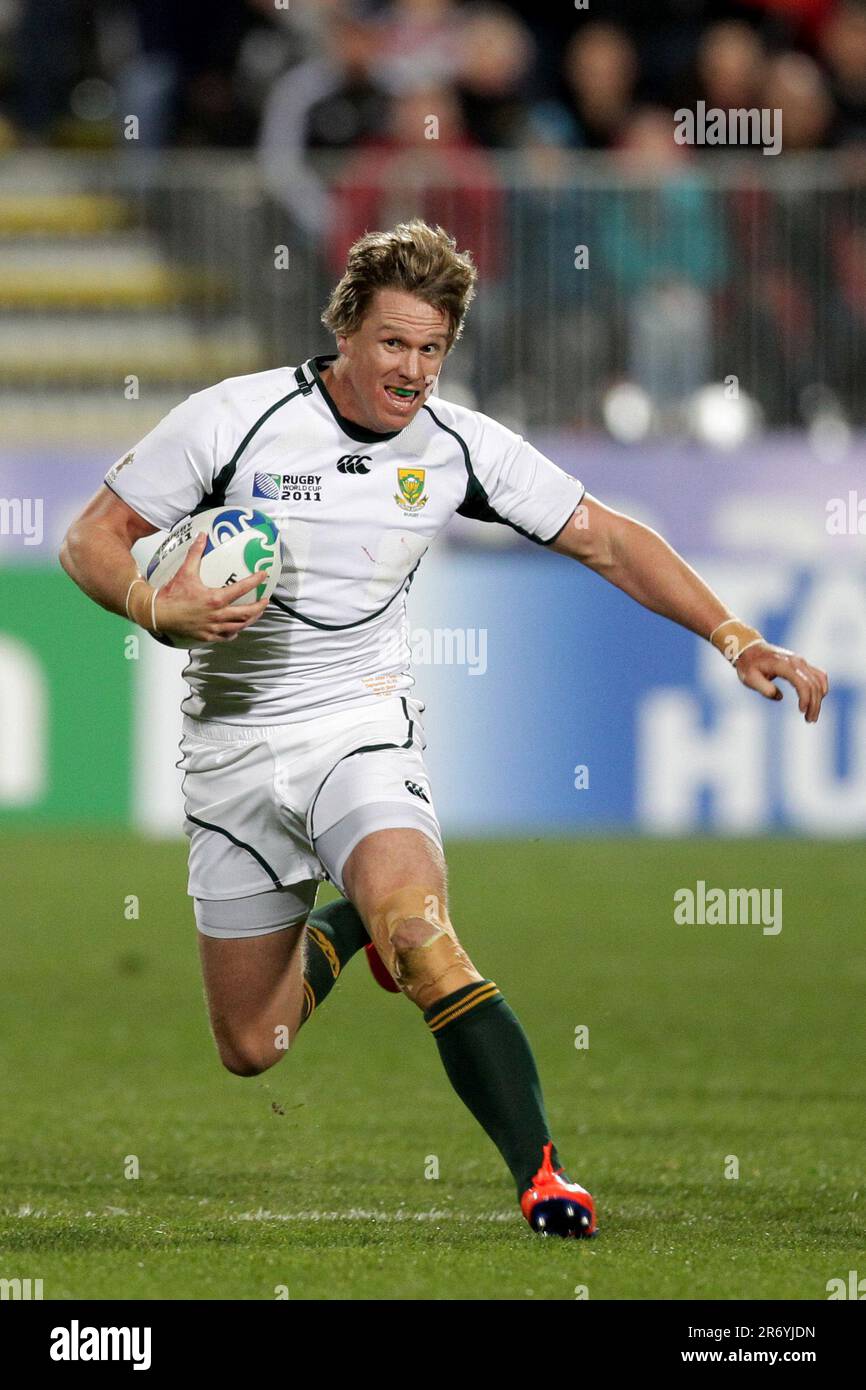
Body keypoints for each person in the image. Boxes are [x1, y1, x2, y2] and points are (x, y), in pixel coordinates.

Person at [59, 219, 829, 1238]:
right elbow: (90, 539)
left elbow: (606, 539)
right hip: (232, 751)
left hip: (360, 731)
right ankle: (346, 931)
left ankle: (541, 1174)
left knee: (422, 934)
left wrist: (734, 637)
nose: (411, 369)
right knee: (254, 1043)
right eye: (391, 343)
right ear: (346, 330)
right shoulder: (235, 420)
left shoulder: (457, 447)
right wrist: (159, 608)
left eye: (430, 348)